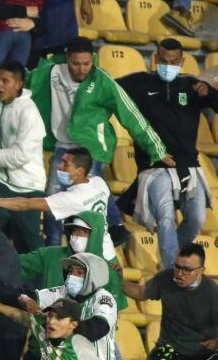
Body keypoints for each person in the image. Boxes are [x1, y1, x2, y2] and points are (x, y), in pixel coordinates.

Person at [28, 37, 169, 248]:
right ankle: (55, 244)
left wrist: (156, 149)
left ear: (92, 59)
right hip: (63, 146)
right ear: (67, 58)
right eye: (76, 64)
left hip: (93, 147)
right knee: (53, 194)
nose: (82, 69)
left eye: (86, 63)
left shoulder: (101, 80)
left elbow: (130, 114)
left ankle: (107, 231)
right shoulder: (51, 73)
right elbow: (18, 79)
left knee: (85, 189)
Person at [117, 39, 218, 268]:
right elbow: (108, 90)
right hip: (155, 166)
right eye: (163, 61)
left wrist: (210, 93)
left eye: (174, 62)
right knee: (165, 218)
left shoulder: (192, 85)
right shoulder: (139, 82)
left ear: (181, 61)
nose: (168, 65)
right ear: (155, 58)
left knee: (197, 220)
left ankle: (171, 260)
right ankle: (170, 269)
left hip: (188, 166)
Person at [121, 243, 218, 360]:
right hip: (167, 354)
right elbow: (140, 292)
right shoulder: (166, 278)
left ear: (202, 270)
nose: (180, 273)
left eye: (187, 269)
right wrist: (119, 280)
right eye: (177, 267)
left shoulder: (212, 293)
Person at [0, 147, 117, 258]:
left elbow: (26, 204)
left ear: (80, 171)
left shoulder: (71, 199)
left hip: (93, 258)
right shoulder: (99, 182)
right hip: (109, 252)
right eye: (61, 161)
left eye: (66, 164)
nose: (60, 167)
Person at [0, 60, 48, 252]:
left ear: (18, 84)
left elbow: (19, 156)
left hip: (26, 187)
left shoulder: (28, 112)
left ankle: (39, 282)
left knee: (29, 245)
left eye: (5, 81)